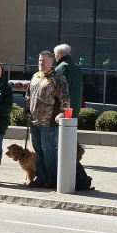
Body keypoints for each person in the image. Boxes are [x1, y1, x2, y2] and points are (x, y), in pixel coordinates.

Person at [25, 50, 70, 188]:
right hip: (35, 121)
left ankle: (52, 179)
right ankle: (40, 177)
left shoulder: (58, 78)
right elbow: (28, 95)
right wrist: (26, 110)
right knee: (38, 149)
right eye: (39, 60)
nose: (41, 63)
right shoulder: (35, 76)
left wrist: (62, 112)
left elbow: (65, 98)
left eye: (44, 60)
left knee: (48, 150)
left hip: (49, 121)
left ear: (52, 62)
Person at [54, 44, 83, 118]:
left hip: (62, 109)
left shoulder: (61, 67)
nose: (54, 56)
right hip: (75, 106)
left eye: (55, 54)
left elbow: (56, 88)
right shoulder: (77, 67)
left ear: (60, 55)